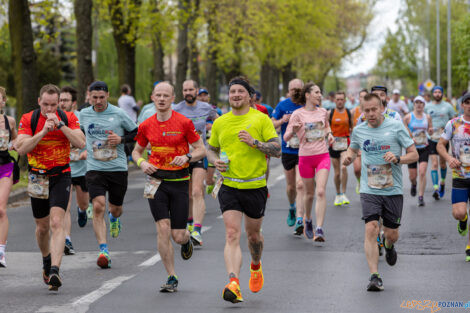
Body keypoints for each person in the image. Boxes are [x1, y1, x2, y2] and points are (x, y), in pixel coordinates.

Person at [206, 76, 280, 303]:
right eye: (232, 92)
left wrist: (255, 143)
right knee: (231, 234)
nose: (236, 95)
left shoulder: (261, 119)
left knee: (253, 236)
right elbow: (210, 148)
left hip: (255, 186)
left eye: (240, 92)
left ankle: (255, 266)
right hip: (229, 185)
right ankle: (234, 282)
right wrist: (215, 160)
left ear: (249, 96)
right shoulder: (221, 122)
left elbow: (277, 149)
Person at [132, 81, 205, 292]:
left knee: (178, 235)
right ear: (153, 98)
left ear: (173, 99)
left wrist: (187, 157)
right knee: (162, 228)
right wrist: (142, 163)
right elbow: (136, 151)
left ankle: (186, 240)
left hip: (180, 182)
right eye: (158, 95)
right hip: (156, 182)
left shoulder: (183, 122)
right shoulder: (146, 125)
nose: (162, 99)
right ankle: (171, 276)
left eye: (166, 95)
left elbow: (201, 149)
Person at [343, 93, 418, 291]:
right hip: (369, 189)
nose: (370, 114)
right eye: (366, 111)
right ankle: (374, 276)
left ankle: (390, 245)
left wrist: (397, 159)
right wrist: (349, 157)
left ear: (381, 108)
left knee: (391, 233)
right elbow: (352, 149)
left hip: (392, 189)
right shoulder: (359, 130)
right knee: (371, 228)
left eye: (373, 109)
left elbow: (414, 154)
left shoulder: (395, 126)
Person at [16, 84, 85, 291]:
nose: (49, 109)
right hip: (37, 177)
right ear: (39, 102)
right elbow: (21, 148)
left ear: (59, 104)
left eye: (53, 105)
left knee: (57, 221)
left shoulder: (68, 117)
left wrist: (61, 125)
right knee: (42, 227)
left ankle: (55, 269)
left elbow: (81, 143)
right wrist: (43, 131)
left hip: (61, 175)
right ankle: (46, 260)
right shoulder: (30, 119)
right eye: (45, 104)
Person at [79, 81, 138, 269]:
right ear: (89, 96)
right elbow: (77, 134)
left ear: (108, 96)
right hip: (94, 168)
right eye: (94, 97)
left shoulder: (119, 113)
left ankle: (114, 218)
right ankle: (103, 250)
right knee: (98, 206)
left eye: (101, 97)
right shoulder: (84, 114)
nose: (97, 101)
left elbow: (137, 133)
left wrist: (120, 139)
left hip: (117, 168)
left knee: (115, 209)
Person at [284, 82, 334, 241]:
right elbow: (285, 137)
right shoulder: (297, 114)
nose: (320, 95)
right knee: (309, 194)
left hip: (322, 156)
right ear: (308, 95)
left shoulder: (323, 112)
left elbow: (326, 127)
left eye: (320, 92)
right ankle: (308, 219)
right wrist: (293, 130)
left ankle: (319, 229)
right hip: (305, 157)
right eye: (317, 92)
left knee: (320, 191)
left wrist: (330, 134)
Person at [173, 80, 218, 245]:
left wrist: (217, 140)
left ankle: (197, 230)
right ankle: (190, 222)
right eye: (185, 90)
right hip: (181, 157)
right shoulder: (176, 109)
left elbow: (219, 122)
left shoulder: (206, 108)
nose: (188, 93)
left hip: (200, 155)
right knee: (187, 193)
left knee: (197, 191)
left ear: (196, 91)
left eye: (191, 89)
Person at [59, 86, 93, 256]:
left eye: (65, 100)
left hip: (81, 169)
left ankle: (82, 211)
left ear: (73, 103)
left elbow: (92, 138)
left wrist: (87, 152)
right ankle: (67, 240)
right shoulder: (54, 119)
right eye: (60, 100)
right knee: (64, 206)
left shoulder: (82, 118)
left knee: (84, 203)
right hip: (63, 169)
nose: (62, 103)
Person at [437, 93, 470, 262]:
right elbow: (440, 145)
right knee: (459, 212)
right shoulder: (454, 124)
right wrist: (449, 158)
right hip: (460, 175)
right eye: (467, 102)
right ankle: (463, 220)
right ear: (462, 105)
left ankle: (469, 247)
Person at [272, 78, 306, 235]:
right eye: (293, 89)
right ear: (289, 90)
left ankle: (300, 218)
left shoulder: (308, 103)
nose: (296, 92)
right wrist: (282, 120)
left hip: (304, 150)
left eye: (298, 89)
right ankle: (292, 207)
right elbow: (271, 124)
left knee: (300, 185)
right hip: (288, 150)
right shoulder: (282, 105)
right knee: (291, 186)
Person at [425, 85, 457, 200]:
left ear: (442, 94)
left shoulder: (448, 106)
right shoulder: (427, 106)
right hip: (432, 138)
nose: (437, 94)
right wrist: (427, 129)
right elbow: (423, 120)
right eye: (435, 92)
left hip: (443, 139)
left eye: (439, 92)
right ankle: (435, 189)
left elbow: (454, 120)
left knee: (443, 164)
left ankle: (442, 184)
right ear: (433, 94)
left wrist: (449, 129)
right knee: (434, 163)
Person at [403, 96, 433, 206]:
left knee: (422, 172)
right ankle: (414, 184)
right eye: (417, 102)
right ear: (414, 104)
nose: (419, 104)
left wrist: (430, 130)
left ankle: (421, 196)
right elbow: (403, 131)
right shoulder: (407, 117)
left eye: (421, 102)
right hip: (411, 149)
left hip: (424, 147)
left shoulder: (427, 117)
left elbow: (430, 130)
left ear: (424, 105)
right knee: (412, 176)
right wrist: (410, 138)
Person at [0, 87, 18, 268]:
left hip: (5, 166)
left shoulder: (9, 121)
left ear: (3, 101)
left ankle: (1, 251)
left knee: (1, 209)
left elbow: (16, 140)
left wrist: (13, 145)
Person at [329, 91, 353, 206]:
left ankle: (343, 193)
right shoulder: (330, 113)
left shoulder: (348, 113)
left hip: (345, 143)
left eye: (341, 99)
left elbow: (352, 128)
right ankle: (338, 194)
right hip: (333, 145)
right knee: (337, 173)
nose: (339, 101)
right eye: (337, 99)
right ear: (335, 100)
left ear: (345, 100)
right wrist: (328, 136)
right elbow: (326, 129)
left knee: (344, 167)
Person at [352, 89, 368, 194]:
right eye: (361, 96)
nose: (363, 98)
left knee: (367, 169)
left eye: (365, 96)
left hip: (369, 144)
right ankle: (359, 182)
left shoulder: (371, 110)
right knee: (357, 169)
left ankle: (367, 188)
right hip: (357, 143)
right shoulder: (354, 111)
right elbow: (350, 127)